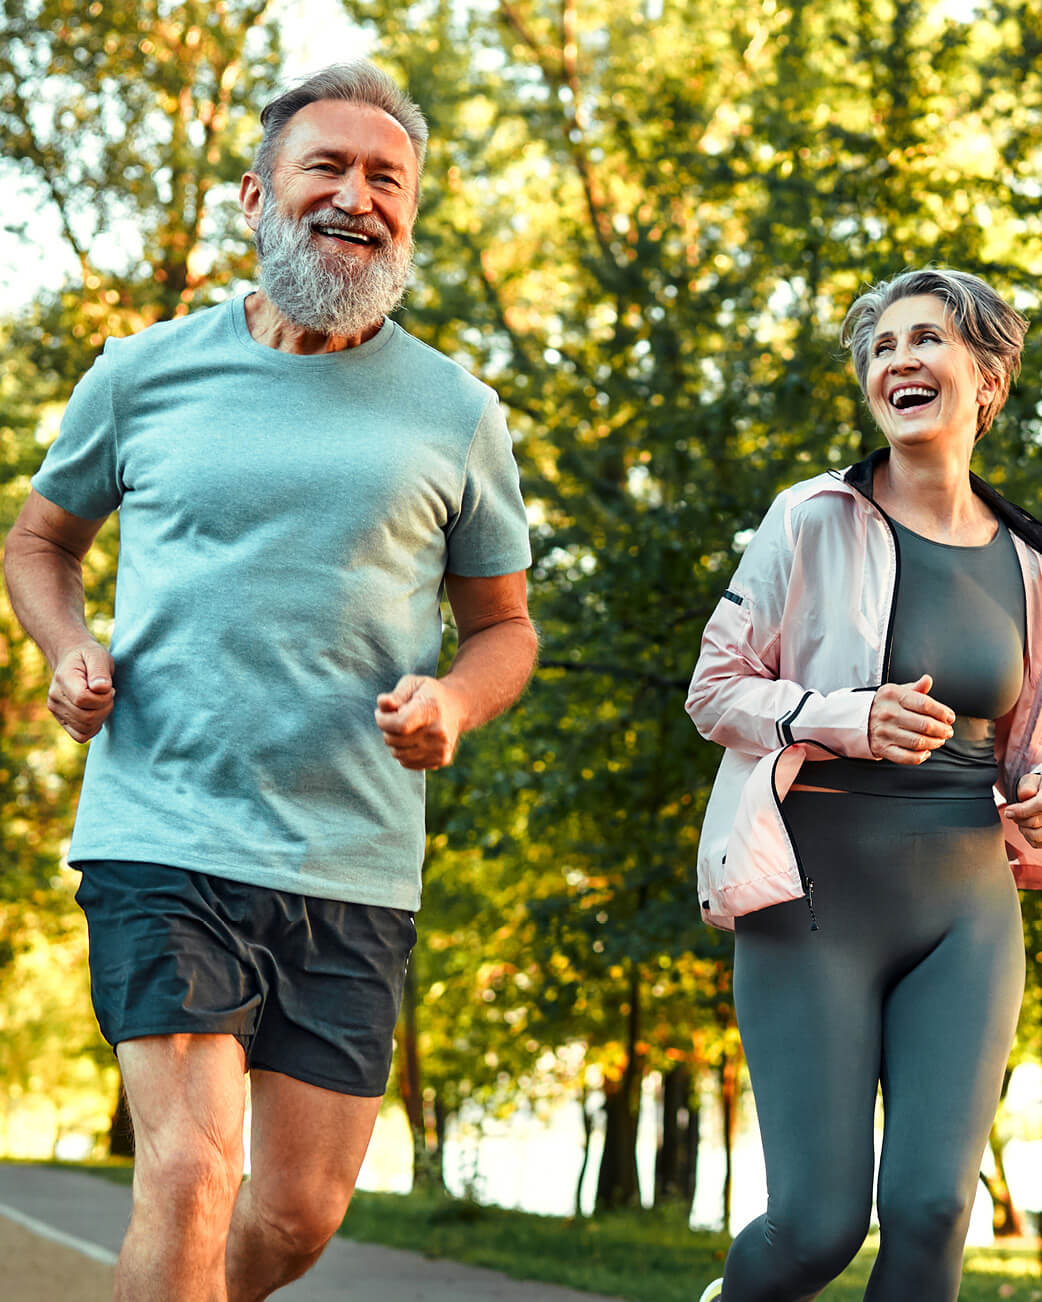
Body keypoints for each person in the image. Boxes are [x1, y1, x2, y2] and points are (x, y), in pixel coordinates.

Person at [3, 61, 537, 1302]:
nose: (357, 195)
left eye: (384, 177)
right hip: (163, 830)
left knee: (292, 1220)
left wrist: (453, 701)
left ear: (409, 211)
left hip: (351, 858)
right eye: (327, 168)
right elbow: (39, 542)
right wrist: (67, 646)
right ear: (257, 195)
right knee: (188, 1178)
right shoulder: (141, 372)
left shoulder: (456, 411)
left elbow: (503, 630)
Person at [686, 268, 1042, 1302]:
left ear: (986, 377)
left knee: (933, 1213)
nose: (897, 362)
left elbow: (1028, 749)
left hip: (966, 909)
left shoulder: (1027, 559)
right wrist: (846, 715)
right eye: (880, 349)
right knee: (815, 1226)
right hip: (812, 893)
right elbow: (714, 689)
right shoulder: (810, 518)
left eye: (924, 340)